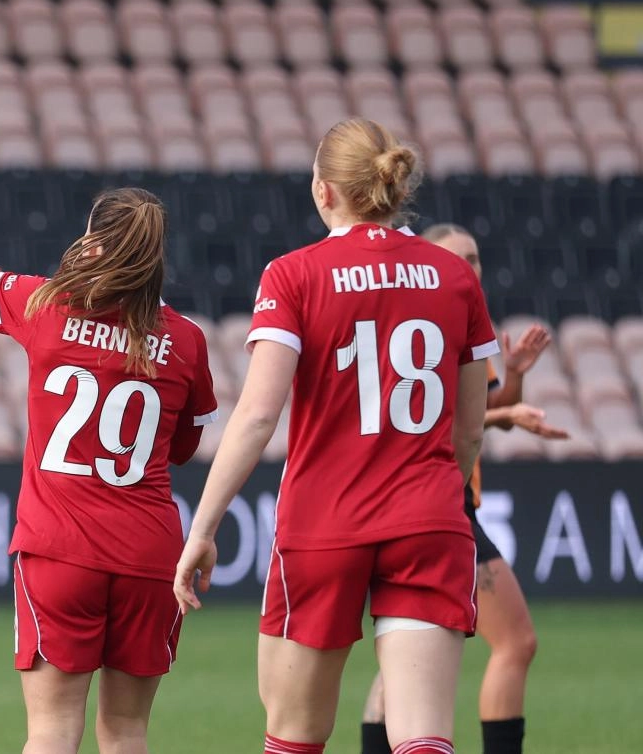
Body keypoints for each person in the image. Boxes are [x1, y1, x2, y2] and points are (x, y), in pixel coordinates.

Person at [174, 119, 498, 754]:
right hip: (429, 519)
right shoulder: (456, 277)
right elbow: (469, 429)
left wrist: (203, 529)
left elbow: (258, 417)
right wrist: (431, 491)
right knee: (424, 738)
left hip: (326, 523)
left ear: (323, 191)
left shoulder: (294, 275)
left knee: (294, 736)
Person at [0, 123, 218, 754]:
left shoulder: (47, 307)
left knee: (53, 730)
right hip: (147, 555)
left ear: (94, 243)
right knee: (128, 730)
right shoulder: (186, 340)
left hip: (59, 551)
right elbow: (182, 448)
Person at [358, 223, 567, 754]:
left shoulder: (448, 321)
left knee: (401, 656)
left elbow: (483, 407)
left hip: (401, 504)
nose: (471, 269)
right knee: (515, 643)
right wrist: (507, 413)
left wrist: (513, 380)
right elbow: (456, 420)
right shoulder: (445, 323)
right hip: (439, 505)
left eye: (475, 258)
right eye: (458, 258)